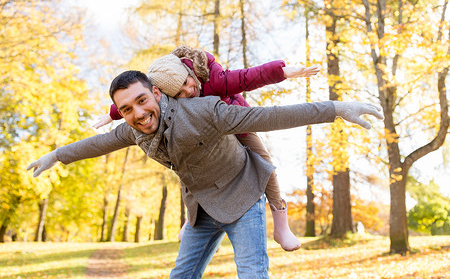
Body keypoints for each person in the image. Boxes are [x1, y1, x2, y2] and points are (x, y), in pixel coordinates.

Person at [27, 70, 383, 278]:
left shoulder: (204, 111)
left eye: (141, 100)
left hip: (243, 198)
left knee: (253, 273)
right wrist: (57, 155)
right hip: (201, 210)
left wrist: (336, 108)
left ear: (155, 92)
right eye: (126, 109)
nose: (138, 113)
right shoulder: (132, 131)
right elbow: (94, 145)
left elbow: (270, 116)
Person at [93, 45, 320, 251]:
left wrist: (282, 72)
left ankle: (281, 226)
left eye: (185, 84)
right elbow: (140, 98)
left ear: (189, 73)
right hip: (204, 134)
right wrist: (112, 114)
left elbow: (248, 77)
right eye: (178, 94)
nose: (187, 93)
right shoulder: (167, 95)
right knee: (186, 165)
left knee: (265, 163)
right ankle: (191, 220)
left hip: (234, 125)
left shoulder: (214, 80)